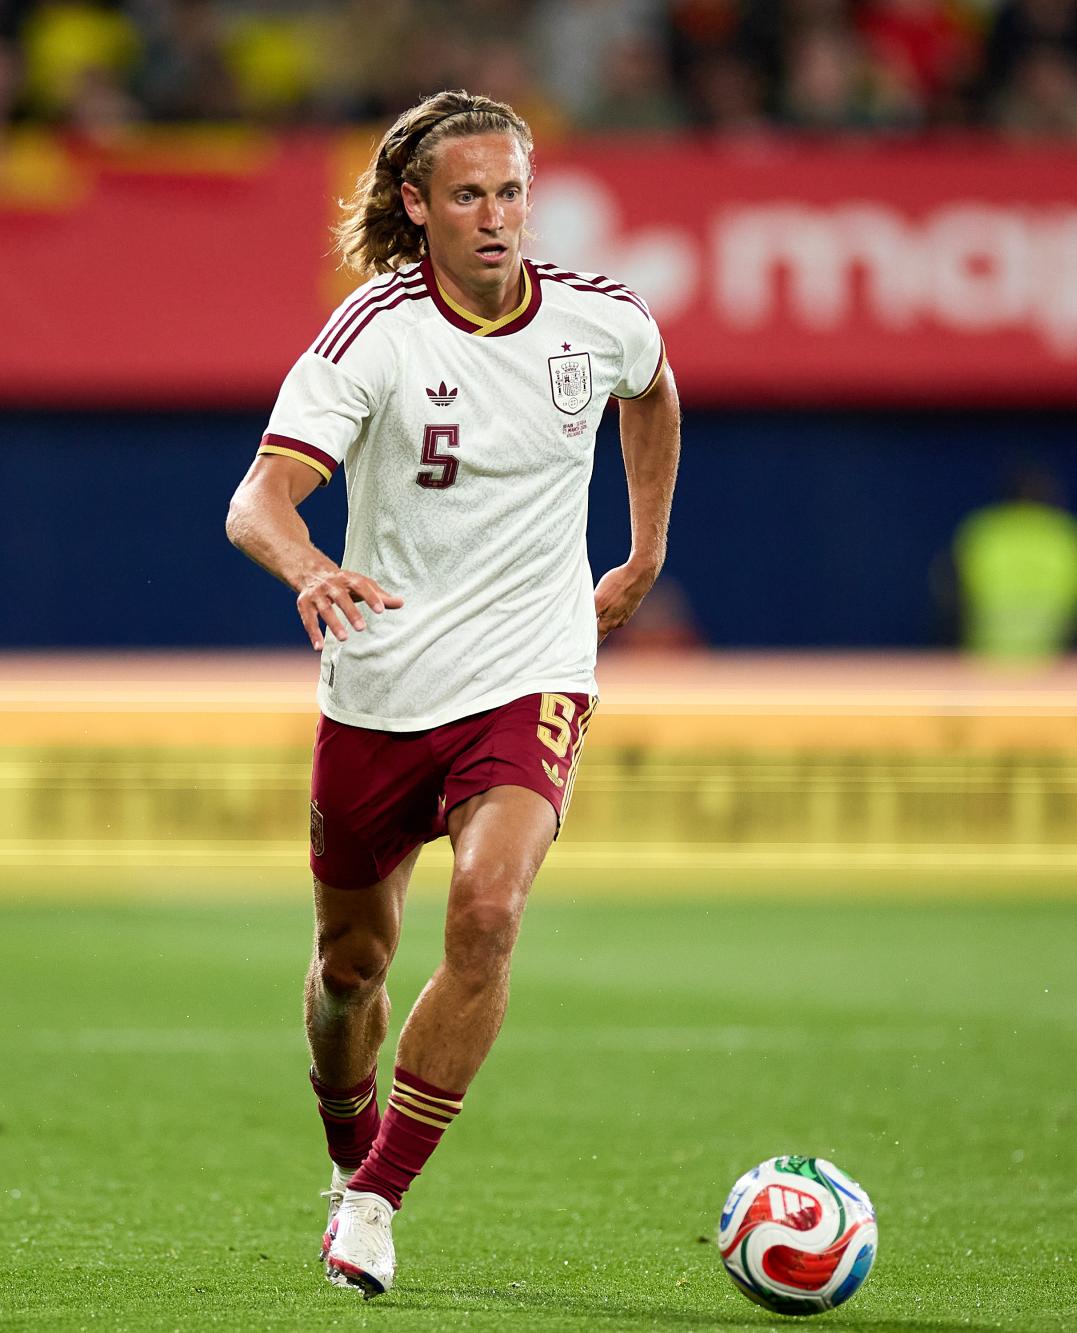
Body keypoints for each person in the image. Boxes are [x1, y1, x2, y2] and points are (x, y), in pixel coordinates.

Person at [223, 89, 680, 1299]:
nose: (496, 217)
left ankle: (376, 1196)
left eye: (513, 191)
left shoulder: (599, 319)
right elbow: (255, 500)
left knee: (485, 913)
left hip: (531, 672)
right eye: (468, 194)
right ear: (417, 206)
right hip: (381, 688)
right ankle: (342, 1144)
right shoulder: (371, 333)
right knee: (351, 970)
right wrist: (313, 566)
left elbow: (654, 388)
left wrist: (641, 554)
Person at [943, 466, 1077, 665]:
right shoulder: (1069, 535)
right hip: (1056, 666)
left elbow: (949, 601)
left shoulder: (983, 532)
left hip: (985, 664)